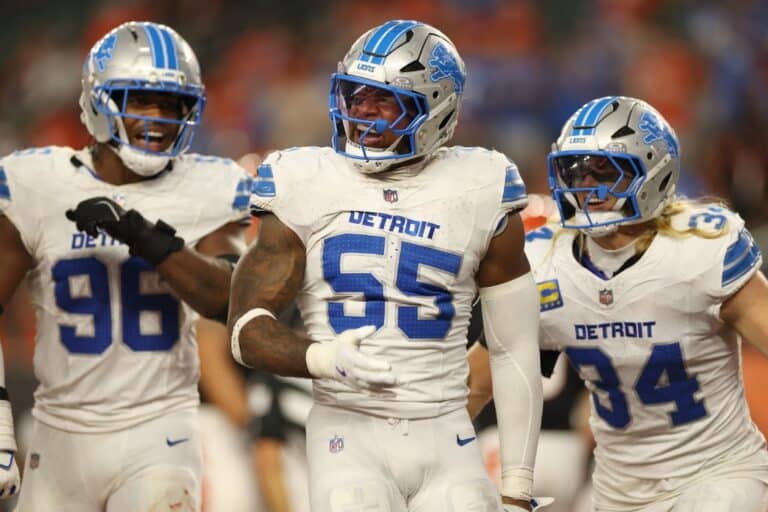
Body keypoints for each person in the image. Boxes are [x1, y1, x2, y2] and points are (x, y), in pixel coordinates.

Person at [228, 19, 544, 512]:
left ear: (435, 108)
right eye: (355, 95)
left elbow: (514, 349)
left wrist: (518, 486)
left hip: (447, 431)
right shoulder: (303, 179)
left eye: (384, 99)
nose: (362, 112)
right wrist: (321, 358)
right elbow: (246, 329)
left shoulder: (481, 185)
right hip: (347, 430)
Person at [468, 96, 768, 511]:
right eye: (576, 171)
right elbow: (476, 384)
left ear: (653, 172)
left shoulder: (700, 251)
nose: (587, 186)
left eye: (605, 170)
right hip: (618, 491)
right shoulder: (543, 264)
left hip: (719, 473)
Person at [0, 21, 251, 511]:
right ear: (100, 100)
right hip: (60, 434)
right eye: (141, 100)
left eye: (171, 104)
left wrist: (143, 236)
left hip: (160, 430)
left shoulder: (211, 186)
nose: (158, 118)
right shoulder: (36, 183)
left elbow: (228, 299)